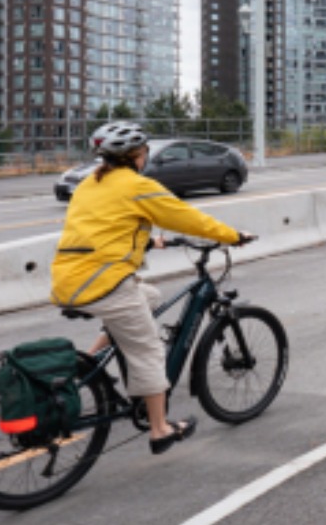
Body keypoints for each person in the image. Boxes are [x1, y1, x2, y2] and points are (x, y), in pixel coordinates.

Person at [51, 122, 252, 454]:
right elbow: (187, 218)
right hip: (103, 283)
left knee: (150, 295)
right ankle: (160, 430)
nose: (145, 156)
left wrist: (146, 241)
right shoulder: (137, 185)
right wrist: (233, 236)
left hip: (69, 279)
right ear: (134, 156)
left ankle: (87, 364)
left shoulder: (90, 183)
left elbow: (102, 226)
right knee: (148, 352)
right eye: (144, 151)